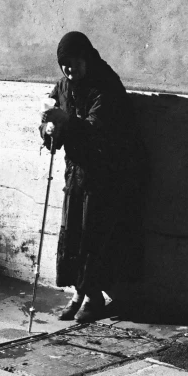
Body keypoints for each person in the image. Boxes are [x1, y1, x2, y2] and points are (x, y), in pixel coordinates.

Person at [40, 31, 147, 323]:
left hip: (105, 175)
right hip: (75, 174)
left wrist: (68, 122)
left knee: (93, 236)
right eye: (64, 65)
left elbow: (100, 128)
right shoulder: (62, 86)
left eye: (74, 63)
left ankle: (91, 297)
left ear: (86, 58)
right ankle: (83, 293)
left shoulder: (106, 86)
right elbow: (49, 117)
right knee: (73, 234)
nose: (69, 70)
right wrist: (49, 130)